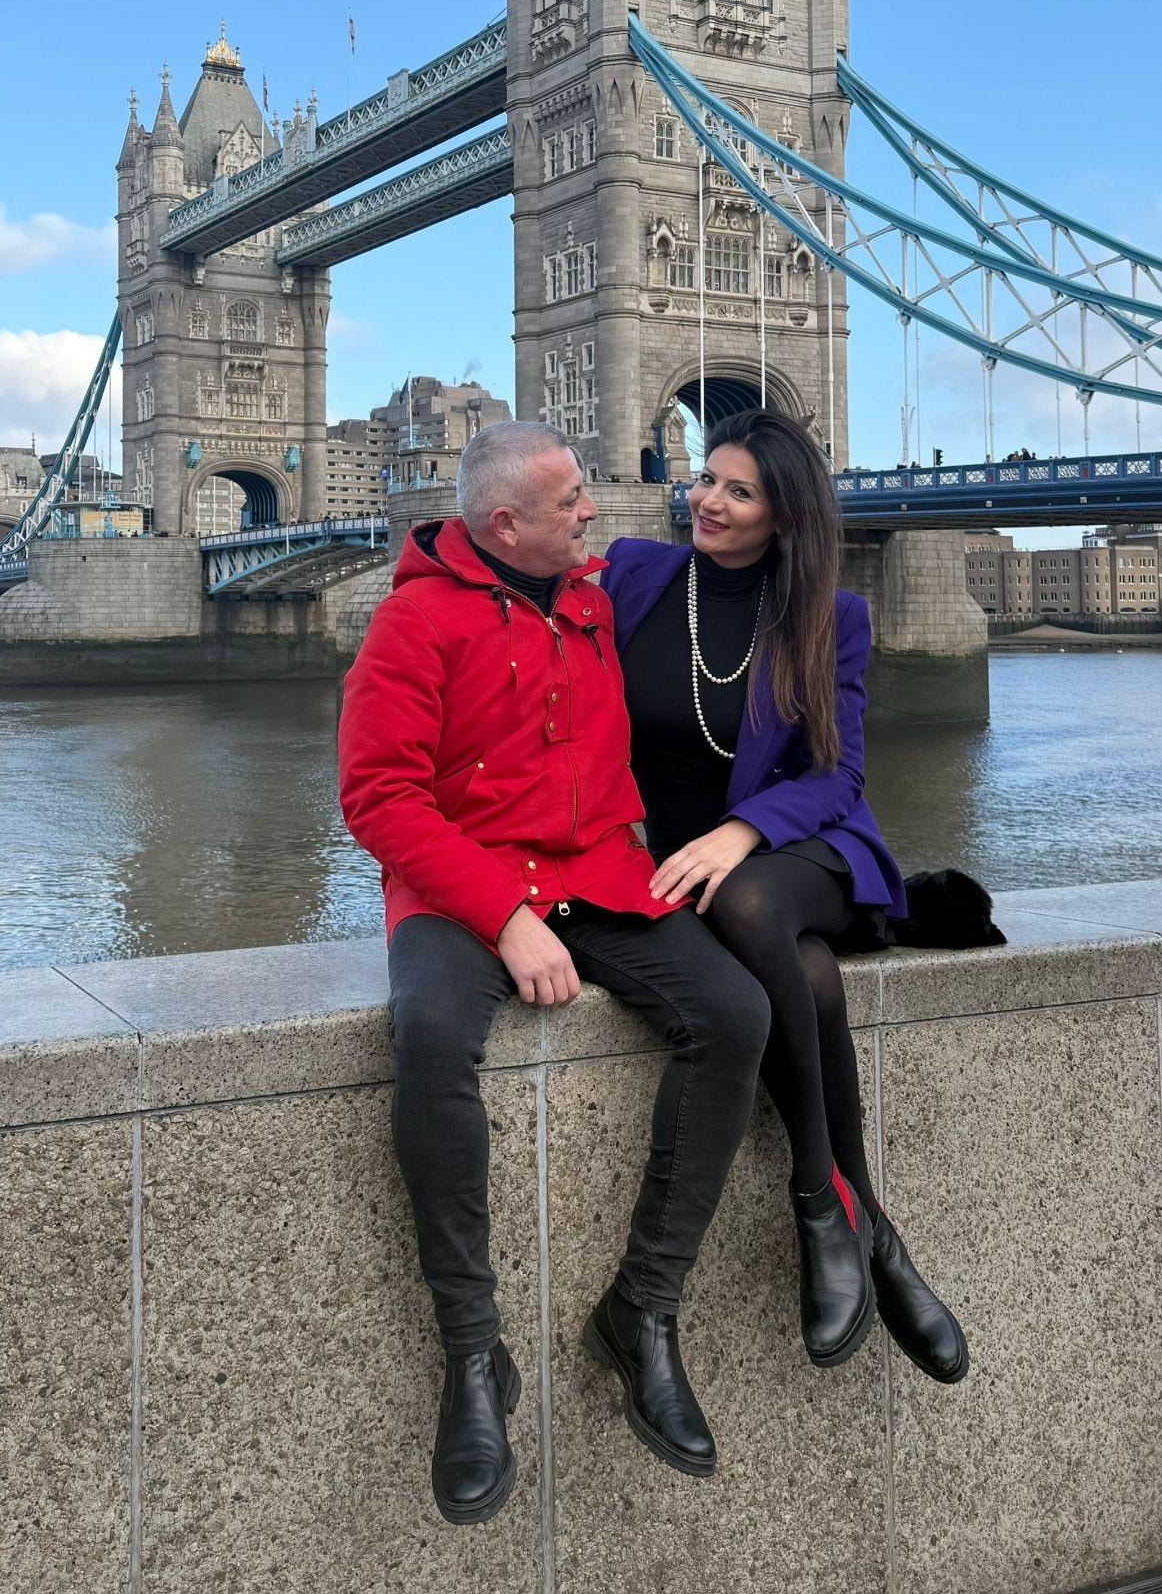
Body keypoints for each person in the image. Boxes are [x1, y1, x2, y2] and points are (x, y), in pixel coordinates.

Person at [339, 422, 770, 1523]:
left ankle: (643, 1310)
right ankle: (473, 1354)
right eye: (572, 499)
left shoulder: (593, 596)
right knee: (432, 1037)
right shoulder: (411, 622)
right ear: (504, 524)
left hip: (597, 874)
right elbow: (378, 797)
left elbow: (730, 579)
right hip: (464, 885)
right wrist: (503, 914)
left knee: (734, 1012)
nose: (595, 511)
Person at [601, 408, 968, 1386]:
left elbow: (836, 774)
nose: (708, 501)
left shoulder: (829, 616)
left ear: (785, 516)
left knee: (754, 907)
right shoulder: (632, 575)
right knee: (801, 972)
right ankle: (869, 1227)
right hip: (678, 863)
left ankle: (816, 1196)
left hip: (799, 849)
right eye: (706, 480)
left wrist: (744, 830)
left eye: (739, 491)